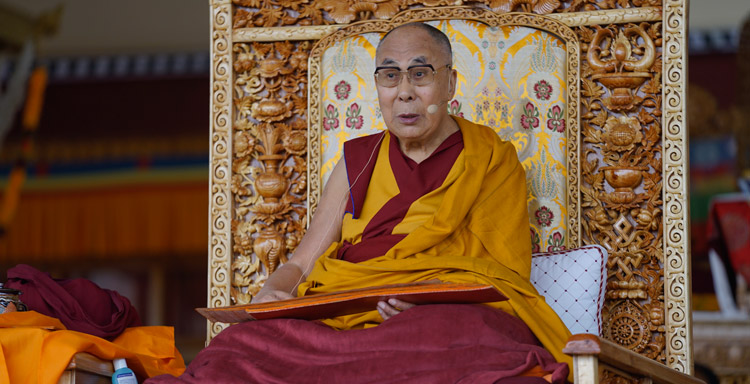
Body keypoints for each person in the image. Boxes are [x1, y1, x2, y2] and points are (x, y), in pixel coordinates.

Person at [147, 22, 572, 383]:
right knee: (236, 349)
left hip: (440, 317)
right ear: (378, 87)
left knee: (476, 343)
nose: (404, 93)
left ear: (450, 83)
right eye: (390, 76)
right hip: (345, 314)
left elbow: (504, 274)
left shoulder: (491, 158)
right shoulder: (359, 158)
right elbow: (304, 261)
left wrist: (431, 295)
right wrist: (275, 291)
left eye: (420, 75)